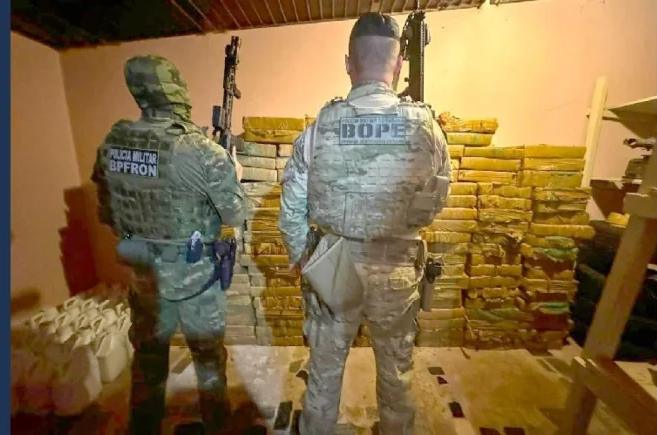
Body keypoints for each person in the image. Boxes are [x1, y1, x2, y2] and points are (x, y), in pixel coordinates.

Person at [278, 13, 452, 435]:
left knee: (324, 368)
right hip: (397, 269)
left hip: (333, 267)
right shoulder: (427, 128)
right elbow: (437, 200)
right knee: (397, 370)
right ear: (398, 65)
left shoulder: (319, 129)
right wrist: (399, 228)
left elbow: (291, 207)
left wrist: (303, 257)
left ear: (348, 64)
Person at [91, 55, 248, 434]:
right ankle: (216, 426)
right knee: (208, 362)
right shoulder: (202, 151)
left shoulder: (112, 144)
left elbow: (108, 215)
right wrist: (233, 172)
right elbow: (235, 214)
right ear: (177, 89)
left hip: (145, 275)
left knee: (148, 362)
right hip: (196, 279)